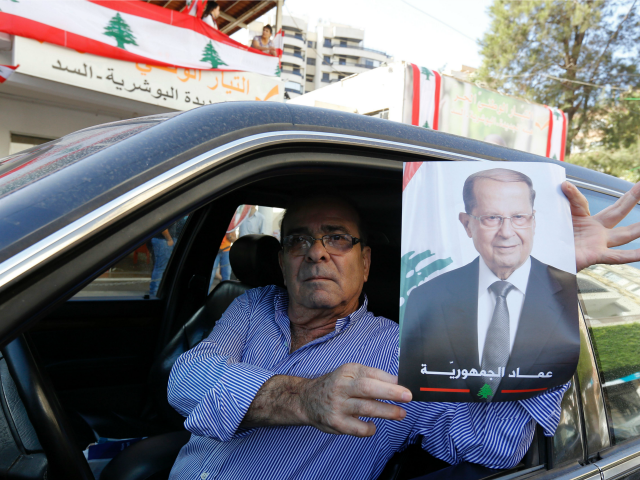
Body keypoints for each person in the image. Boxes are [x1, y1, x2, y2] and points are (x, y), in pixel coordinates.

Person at [167, 182, 640, 480]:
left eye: (337, 238)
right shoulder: (250, 307)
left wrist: (544, 279)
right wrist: (304, 398)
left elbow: (491, 443)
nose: (316, 253)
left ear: (366, 261)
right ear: (282, 260)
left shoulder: (404, 347)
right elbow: (186, 379)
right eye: (298, 240)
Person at [399, 169, 578, 403]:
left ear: (533, 221)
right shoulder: (426, 298)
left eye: (519, 217)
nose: (506, 232)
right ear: (466, 224)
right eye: (491, 218)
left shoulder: (571, 292)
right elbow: (414, 395)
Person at [149, 228, 173, 296]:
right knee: (160, 268)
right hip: (163, 240)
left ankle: (154, 290)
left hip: (161, 239)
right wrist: (169, 239)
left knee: (159, 267)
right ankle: (155, 292)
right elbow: (164, 227)